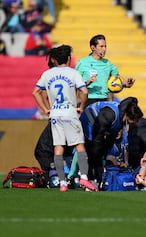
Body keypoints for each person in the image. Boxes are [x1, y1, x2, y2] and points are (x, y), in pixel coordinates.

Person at [32, 44, 98, 192]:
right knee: (79, 146)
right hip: (70, 113)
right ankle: (84, 179)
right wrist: (81, 106)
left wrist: (45, 109)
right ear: (68, 58)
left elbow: (35, 92)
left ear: (54, 59)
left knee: (58, 149)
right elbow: (84, 91)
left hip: (55, 115)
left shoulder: (47, 74)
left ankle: (62, 182)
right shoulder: (73, 73)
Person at [80, 97, 143, 183]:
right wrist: (98, 151)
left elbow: (111, 137)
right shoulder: (111, 114)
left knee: (100, 153)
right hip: (89, 121)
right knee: (93, 152)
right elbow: (98, 132)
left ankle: (99, 179)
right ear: (128, 116)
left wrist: (107, 153)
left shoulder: (121, 119)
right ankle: (90, 178)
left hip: (100, 125)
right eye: (134, 121)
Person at [75, 34, 134, 106]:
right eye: (101, 46)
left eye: (105, 46)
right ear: (93, 48)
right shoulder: (82, 62)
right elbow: (75, 83)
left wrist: (127, 84)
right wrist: (87, 83)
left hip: (104, 100)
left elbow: (116, 77)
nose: (104, 49)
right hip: (87, 99)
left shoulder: (107, 63)